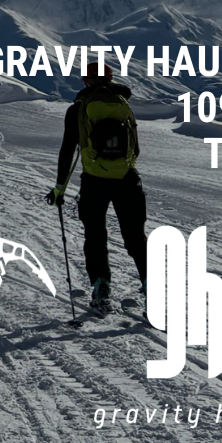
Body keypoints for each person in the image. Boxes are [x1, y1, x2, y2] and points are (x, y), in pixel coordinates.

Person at [46, 65, 147, 311]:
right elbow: (135, 149)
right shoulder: (124, 105)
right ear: (111, 79)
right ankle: (153, 288)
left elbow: (68, 150)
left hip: (94, 183)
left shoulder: (78, 109)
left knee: (95, 237)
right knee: (135, 238)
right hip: (128, 179)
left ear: (86, 81)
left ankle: (101, 289)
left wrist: (60, 188)